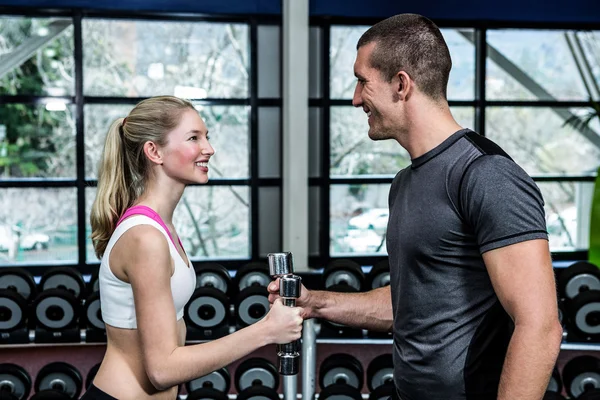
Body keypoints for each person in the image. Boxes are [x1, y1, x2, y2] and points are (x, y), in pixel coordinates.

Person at [269, 14, 563, 400]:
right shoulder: (405, 183)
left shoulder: (485, 174)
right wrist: (316, 302)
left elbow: (540, 326)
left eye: (362, 81)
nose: (356, 98)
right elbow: (411, 304)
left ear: (401, 84)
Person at [86, 96, 303, 400]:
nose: (209, 149)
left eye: (207, 137)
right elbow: (162, 370)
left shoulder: (159, 227)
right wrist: (266, 330)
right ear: (154, 151)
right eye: (193, 138)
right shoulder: (145, 237)